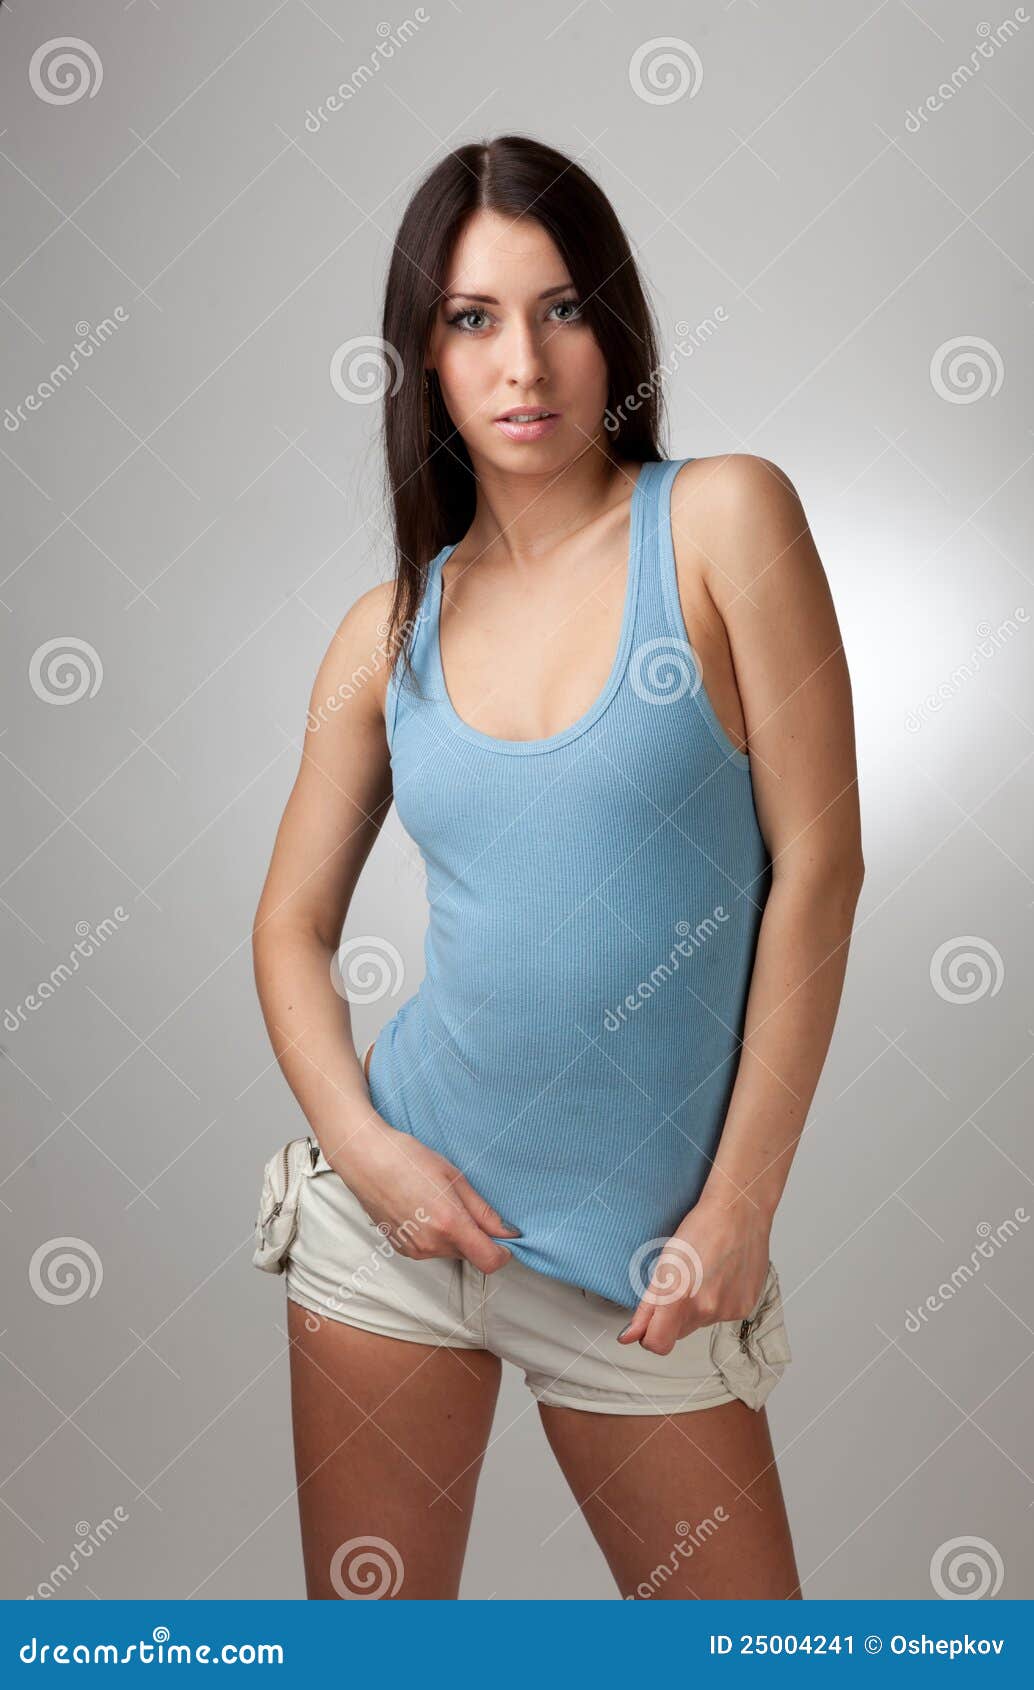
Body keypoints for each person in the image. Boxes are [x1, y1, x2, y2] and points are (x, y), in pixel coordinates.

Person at [252, 134, 864, 1601]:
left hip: (641, 1270)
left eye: (559, 308)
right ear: (426, 360)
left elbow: (821, 867)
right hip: (395, 1233)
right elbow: (287, 926)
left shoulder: (721, 520)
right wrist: (377, 1154)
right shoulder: (381, 629)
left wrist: (736, 1211)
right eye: (471, 320)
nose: (521, 360)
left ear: (613, 325)